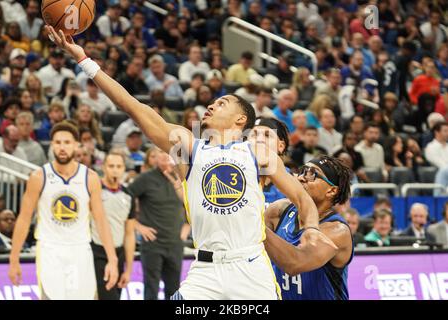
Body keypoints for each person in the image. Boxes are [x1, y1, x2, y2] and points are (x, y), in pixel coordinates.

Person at [48, 26, 322, 300]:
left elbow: (301, 196)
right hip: (205, 272)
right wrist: (84, 61)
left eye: (222, 102)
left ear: (241, 120)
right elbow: (133, 106)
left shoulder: (258, 152)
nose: (212, 106)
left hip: (249, 268)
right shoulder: (188, 146)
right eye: (212, 103)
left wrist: (310, 228)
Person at [8, 121, 119, 300]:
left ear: (76, 145)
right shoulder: (38, 177)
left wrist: (112, 259)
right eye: (58, 142)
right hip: (49, 249)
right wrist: (14, 259)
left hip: (80, 248)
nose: (62, 147)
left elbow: (101, 220)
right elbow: (24, 219)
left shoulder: (90, 178)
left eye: (67, 142)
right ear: (52, 145)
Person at [264, 155, 353, 300]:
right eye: (302, 171)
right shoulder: (279, 210)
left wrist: (254, 224)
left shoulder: (337, 231)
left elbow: (294, 263)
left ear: (331, 191)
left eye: (312, 174)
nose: (301, 178)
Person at [128, 151, 189, 300]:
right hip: (152, 244)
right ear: (154, 157)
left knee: (174, 290)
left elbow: (192, 204)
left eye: (167, 152)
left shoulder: (181, 179)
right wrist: (137, 225)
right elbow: (124, 198)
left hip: (175, 244)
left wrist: (188, 225)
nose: (164, 155)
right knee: (151, 288)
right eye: (159, 152)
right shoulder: (145, 179)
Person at [91, 151, 136, 300]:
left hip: (119, 254)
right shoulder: (94, 190)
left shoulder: (129, 195)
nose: (115, 169)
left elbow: (129, 234)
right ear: (103, 167)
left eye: (119, 166)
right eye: (111, 166)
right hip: (97, 252)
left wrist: (128, 270)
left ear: (124, 169)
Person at [249, 118, 290, 206]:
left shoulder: (296, 182)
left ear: (281, 146)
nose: (259, 140)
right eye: (254, 135)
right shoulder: (234, 177)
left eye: (267, 135)